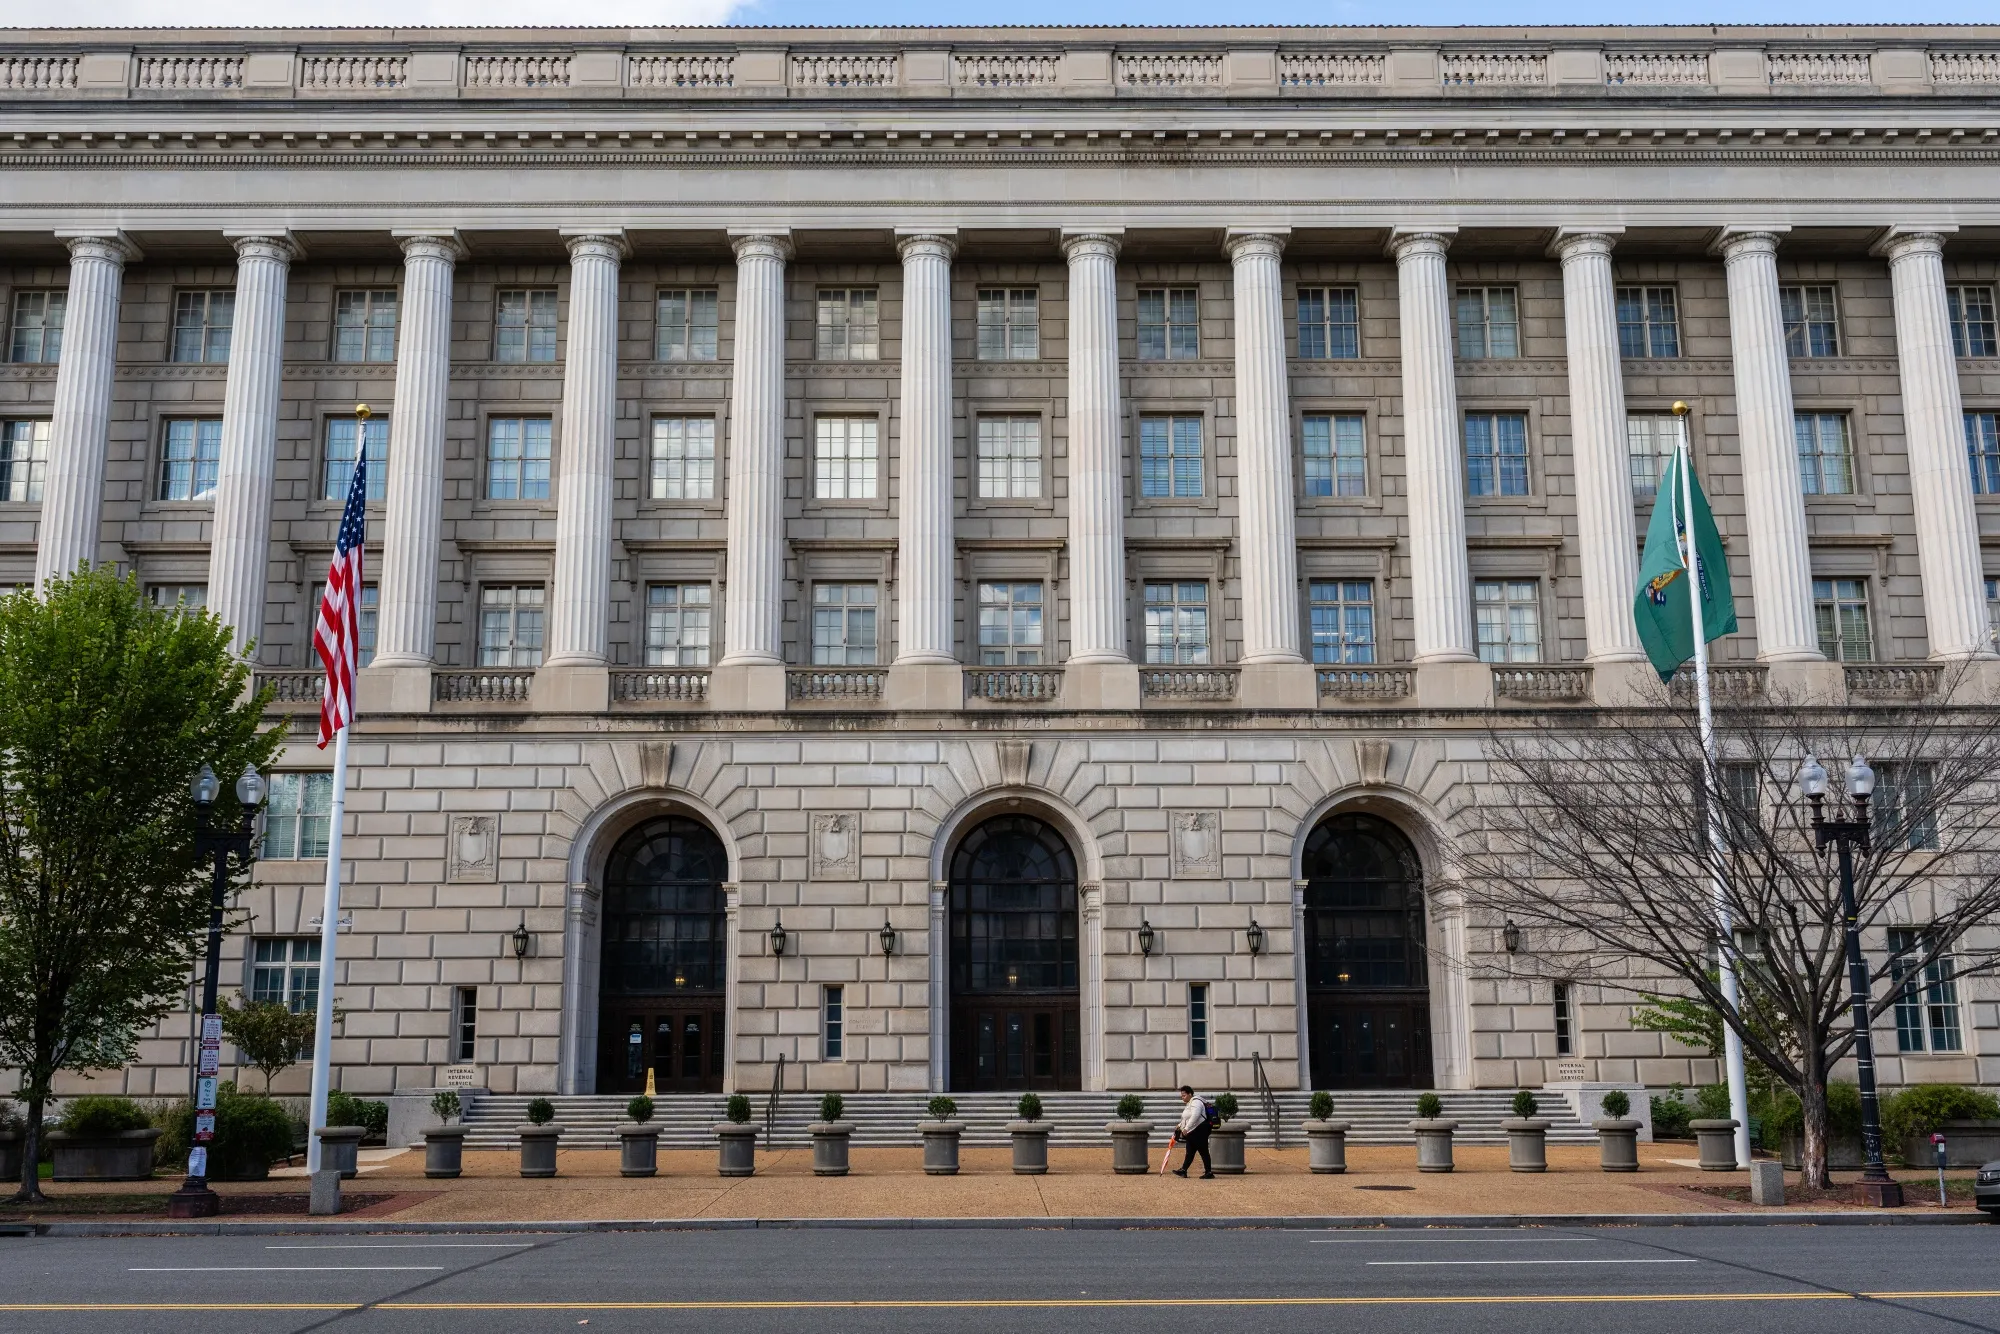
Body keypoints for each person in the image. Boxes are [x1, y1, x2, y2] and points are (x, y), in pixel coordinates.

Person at [1172, 1084, 1214, 1179]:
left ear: (1190, 1094)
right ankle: (1184, 1170)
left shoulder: (1196, 1102)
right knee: (1190, 1151)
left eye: (1184, 1095)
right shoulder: (1190, 1103)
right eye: (1182, 1096)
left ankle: (1209, 1172)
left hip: (1199, 1130)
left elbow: (1195, 1116)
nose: (1182, 1097)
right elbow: (1187, 1118)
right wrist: (1180, 1125)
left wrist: (1186, 1128)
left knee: (1203, 1151)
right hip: (1194, 1131)